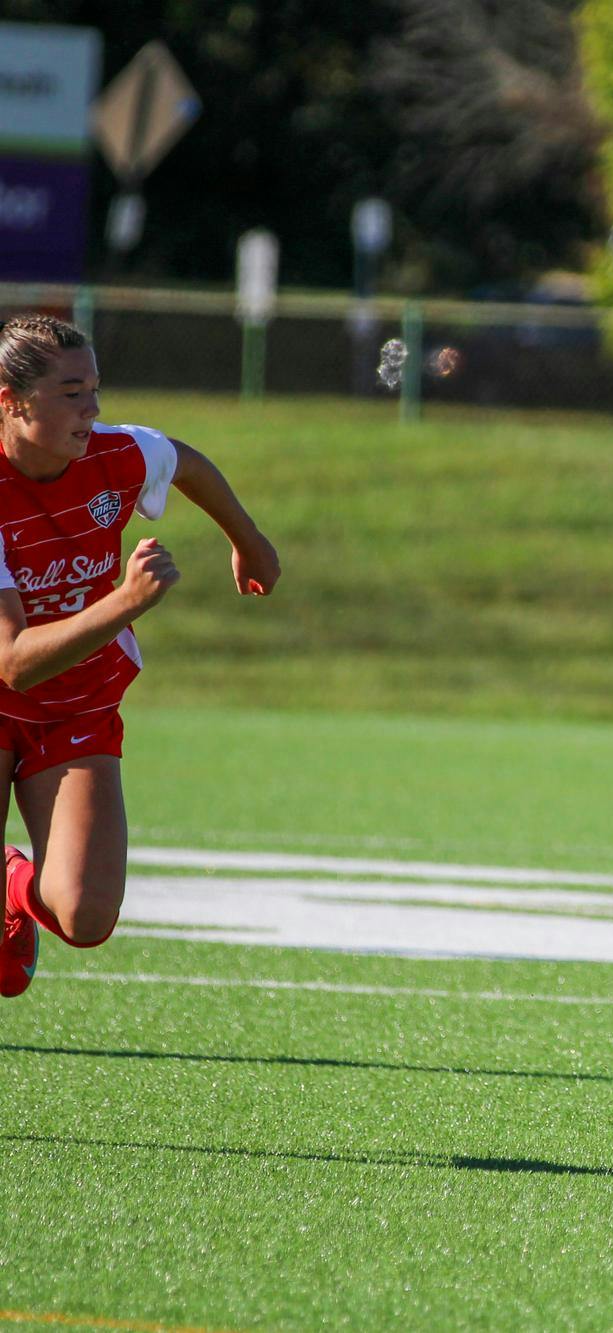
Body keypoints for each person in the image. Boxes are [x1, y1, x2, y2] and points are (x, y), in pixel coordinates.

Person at [0, 315, 281, 997]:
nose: (91, 411)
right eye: (71, 393)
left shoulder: (113, 454)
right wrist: (125, 602)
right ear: (11, 401)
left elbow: (180, 458)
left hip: (78, 701)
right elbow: (12, 662)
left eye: (95, 390)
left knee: (86, 915)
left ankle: (14, 893)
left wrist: (247, 538)